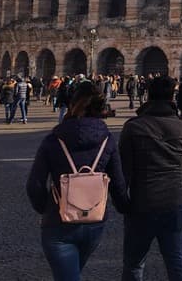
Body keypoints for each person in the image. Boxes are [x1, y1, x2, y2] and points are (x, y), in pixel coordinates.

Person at [26, 81, 129, 281]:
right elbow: (118, 184)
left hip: (58, 222)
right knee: (71, 274)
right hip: (94, 222)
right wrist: (125, 207)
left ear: (73, 104)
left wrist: (47, 209)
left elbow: (34, 185)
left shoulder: (54, 139)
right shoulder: (107, 140)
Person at [120, 76, 182, 281]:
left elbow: (123, 172)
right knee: (176, 261)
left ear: (148, 96)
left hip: (141, 202)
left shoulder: (133, 127)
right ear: (172, 96)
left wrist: (122, 203)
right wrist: (177, 186)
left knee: (134, 264)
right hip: (174, 201)